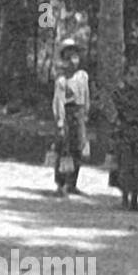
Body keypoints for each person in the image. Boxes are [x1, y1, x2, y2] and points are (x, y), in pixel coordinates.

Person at [109, 63, 138, 211]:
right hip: (125, 135)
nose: (135, 78)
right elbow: (121, 112)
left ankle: (135, 200)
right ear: (125, 77)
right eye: (132, 75)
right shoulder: (119, 94)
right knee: (124, 166)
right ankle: (124, 199)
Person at [52, 38, 90, 198]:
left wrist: (86, 113)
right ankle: (61, 184)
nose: (73, 60)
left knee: (78, 148)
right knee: (64, 149)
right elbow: (58, 101)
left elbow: (86, 95)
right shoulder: (62, 80)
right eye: (69, 57)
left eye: (75, 56)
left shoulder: (83, 76)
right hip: (67, 114)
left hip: (79, 114)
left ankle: (73, 182)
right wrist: (60, 122)